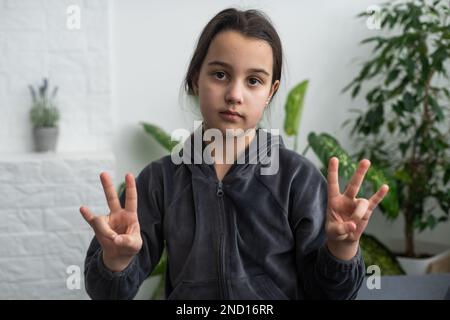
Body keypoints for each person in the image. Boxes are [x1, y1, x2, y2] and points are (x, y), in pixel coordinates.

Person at [80, 8, 389, 300]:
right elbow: (106, 292)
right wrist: (116, 261)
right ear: (195, 78)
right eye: (220, 75)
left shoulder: (298, 178)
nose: (234, 95)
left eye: (254, 81)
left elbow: (333, 295)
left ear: (270, 92)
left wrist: (341, 249)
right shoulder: (161, 180)